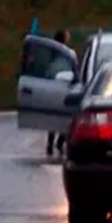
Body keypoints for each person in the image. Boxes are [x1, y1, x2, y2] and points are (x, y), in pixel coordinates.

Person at [46, 28, 73, 158]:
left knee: (55, 116)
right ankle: (58, 142)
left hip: (54, 85)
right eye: (67, 35)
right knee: (66, 116)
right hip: (62, 85)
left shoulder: (52, 53)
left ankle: (52, 143)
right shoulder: (66, 54)